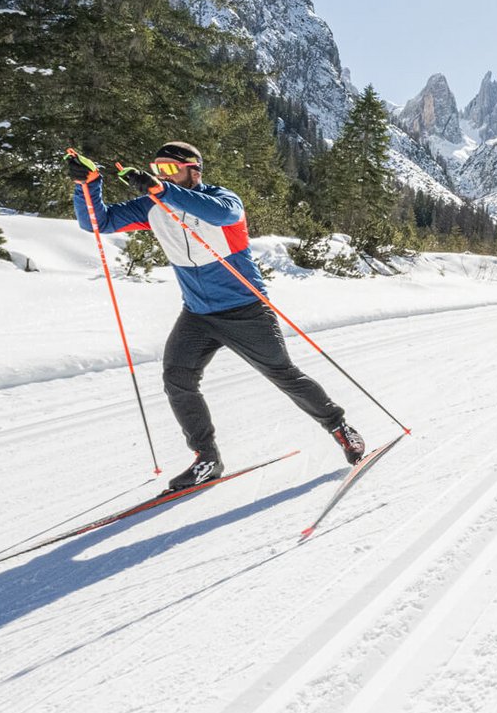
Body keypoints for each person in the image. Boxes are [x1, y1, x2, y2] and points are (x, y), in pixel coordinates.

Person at [66, 143, 366, 490]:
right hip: (197, 314)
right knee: (177, 377)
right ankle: (207, 458)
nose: (161, 175)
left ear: (195, 170)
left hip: (246, 310)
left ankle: (339, 426)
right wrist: (87, 184)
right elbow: (96, 222)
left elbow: (223, 216)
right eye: (157, 169)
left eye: (169, 169)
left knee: (282, 375)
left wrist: (163, 190)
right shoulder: (152, 206)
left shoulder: (222, 200)